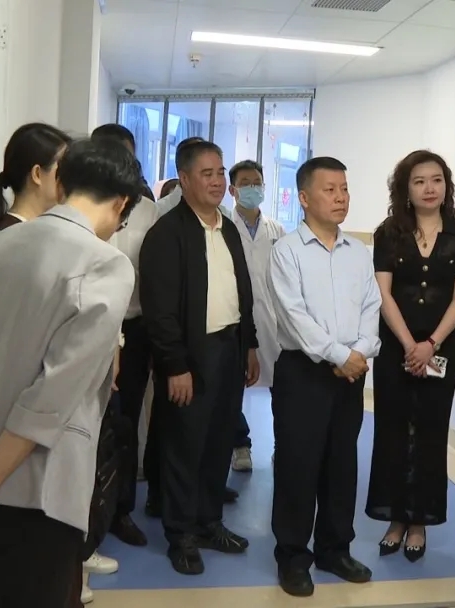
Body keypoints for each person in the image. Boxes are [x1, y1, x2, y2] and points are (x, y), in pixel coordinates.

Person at [0, 137, 141, 608]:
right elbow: (50, 398)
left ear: (61, 185)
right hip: (37, 496)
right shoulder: (105, 264)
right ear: (121, 204)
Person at [139, 139, 259, 575]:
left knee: (218, 439)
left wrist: (250, 344)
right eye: (206, 174)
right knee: (183, 446)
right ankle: (181, 535)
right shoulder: (166, 234)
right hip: (190, 355)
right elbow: (159, 310)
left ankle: (209, 522)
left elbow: (241, 291)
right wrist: (175, 366)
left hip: (230, 348)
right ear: (185, 179)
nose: (217, 181)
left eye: (220, 172)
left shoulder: (228, 229)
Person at [269, 156, 382, 597]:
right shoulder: (287, 251)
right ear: (304, 197)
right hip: (303, 372)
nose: (341, 198)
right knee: (298, 465)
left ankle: (335, 549)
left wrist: (359, 352)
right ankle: (293, 556)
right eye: (330, 189)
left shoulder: (358, 252)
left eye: (345, 189)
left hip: (350, 372)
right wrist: (339, 354)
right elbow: (294, 316)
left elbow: (371, 306)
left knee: (341, 464)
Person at [366, 150, 455, 562]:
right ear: (405, 189)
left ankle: (419, 522)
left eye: (437, 180)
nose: (430, 188)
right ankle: (395, 518)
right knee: (392, 431)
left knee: (430, 431)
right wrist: (409, 344)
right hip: (394, 348)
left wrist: (430, 343)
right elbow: (383, 293)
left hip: (441, 348)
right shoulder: (388, 233)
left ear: (446, 186)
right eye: (419, 181)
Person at [91, 126, 160, 548]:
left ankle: (120, 510)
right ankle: (83, 514)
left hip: (133, 331)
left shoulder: (149, 212)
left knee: (126, 421)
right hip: (88, 326)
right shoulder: (80, 207)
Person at [228, 159, 286, 472]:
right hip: (236, 321)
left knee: (283, 389)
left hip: (274, 321)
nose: (253, 188)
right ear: (233, 190)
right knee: (233, 389)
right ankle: (240, 445)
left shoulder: (276, 230)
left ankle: (283, 446)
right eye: (245, 183)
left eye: (257, 183)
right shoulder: (224, 226)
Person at [0, 123, 72, 238]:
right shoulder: (17, 237)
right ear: (37, 174)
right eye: (63, 168)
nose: (68, 178)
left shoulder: (24, 232)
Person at [91, 123, 156, 202]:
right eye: (116, 158)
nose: (123, 166)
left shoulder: (142, 195)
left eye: (128, 158)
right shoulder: (84, 192)